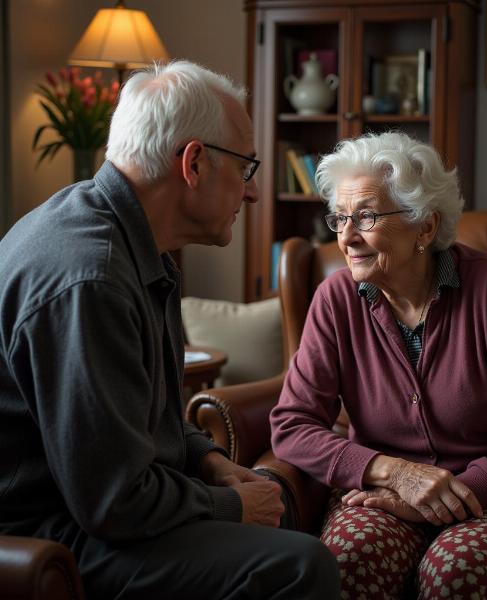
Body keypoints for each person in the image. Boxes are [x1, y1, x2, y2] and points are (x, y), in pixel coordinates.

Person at [0, 60, 339, 599]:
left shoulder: (136, 248)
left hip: (88, 507)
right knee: (300, 565)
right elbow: (114, 500)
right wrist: (229, 504)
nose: (252, 195)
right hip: (48, 530)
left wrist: (209, 461)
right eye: (246, 168)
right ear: (195, 162)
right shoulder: (91, 278)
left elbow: (145, 415)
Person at [270, 131, 487, 599]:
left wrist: (452, 493)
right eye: (340, 218)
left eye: (367, 216)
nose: (347, 237)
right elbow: (292, 425)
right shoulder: (335, 300)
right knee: (348, 561)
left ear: (426, 226)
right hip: (386, 491)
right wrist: (395, 473)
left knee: (459, 570)